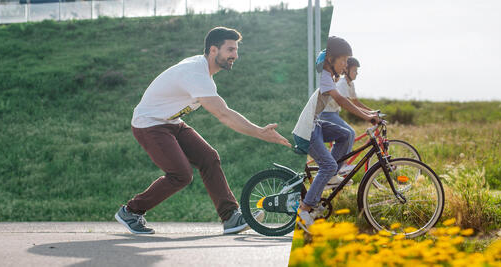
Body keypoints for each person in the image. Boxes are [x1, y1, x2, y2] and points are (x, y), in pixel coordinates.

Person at [115, 26, 291, 235]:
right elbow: (223, 114)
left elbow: (222, 110)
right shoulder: (195, 73)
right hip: (149, 124)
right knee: (180, 174)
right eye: (230, 50)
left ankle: (231, 217)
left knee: (209, 157)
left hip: (170, 122)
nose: (235, 55)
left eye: (236, 50)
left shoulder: (202, 72)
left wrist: (259, 131)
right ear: (214, 50)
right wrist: (260, 132)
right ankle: (131, 211)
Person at [291, 37, 379, 231]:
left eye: (348, 61)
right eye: (344, 60)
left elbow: (348, 99)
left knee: (347, 135)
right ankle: (304, 210)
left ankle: (331, 175)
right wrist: (368, 117)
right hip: (307, 130)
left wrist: (368, 114)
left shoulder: (331, 77)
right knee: (328, 164)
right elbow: (342, 101)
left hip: (316, 125)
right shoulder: (324, 76)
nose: (346, 65)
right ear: (330, 59)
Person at [318, 57, 374, 179]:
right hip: (327, 113)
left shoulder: (350, 84)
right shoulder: (342, 84)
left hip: (334, 113)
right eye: (354, 70)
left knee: (348, 134)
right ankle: (339, 167)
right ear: (347, 70)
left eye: (357, 71)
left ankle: (336, 169)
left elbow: (356, 102)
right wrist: (368, 116)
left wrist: (372, 112)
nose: (356, 73)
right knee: (350, 133)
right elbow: (347, 103)